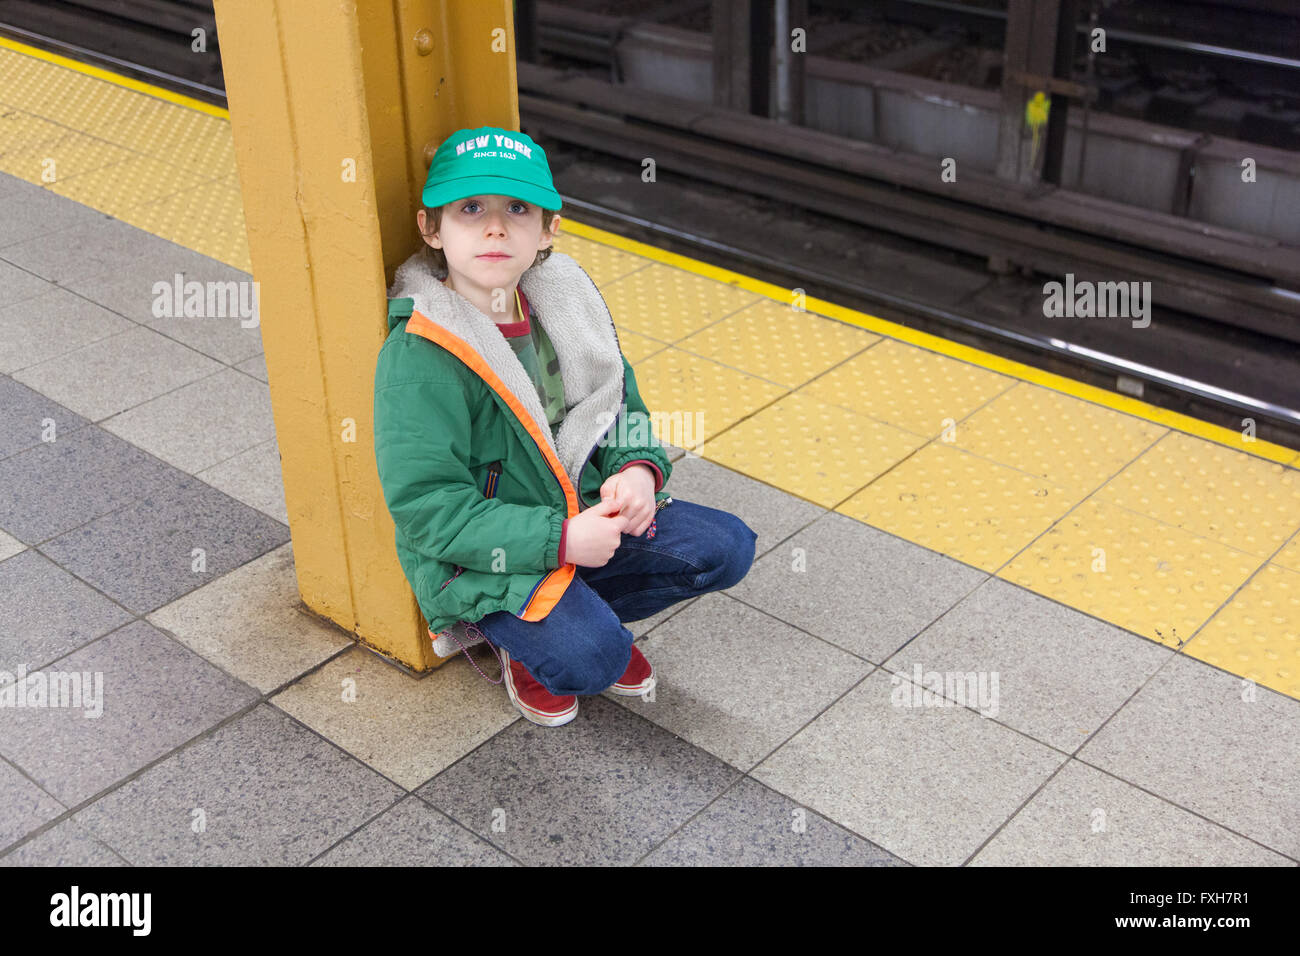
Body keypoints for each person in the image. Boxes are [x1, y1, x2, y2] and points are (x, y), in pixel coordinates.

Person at [373, 125, 757, 727]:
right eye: (470, 208)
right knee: (592, 661)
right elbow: (427, 508)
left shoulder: (562, 305)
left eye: (518, 210)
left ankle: (572, 619)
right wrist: (560, 540)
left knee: (726, 547)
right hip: (485, 559)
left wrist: (634, 469)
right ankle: (524, 644)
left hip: (582, 517)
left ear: (549, 228)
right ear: (432, 229)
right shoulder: (423, 353)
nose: (495, 227)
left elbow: (619, 404)